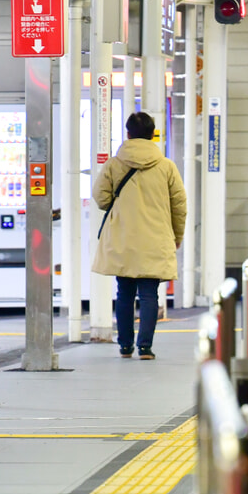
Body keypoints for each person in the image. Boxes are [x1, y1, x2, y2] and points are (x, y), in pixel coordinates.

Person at [92, 112, 187, 360]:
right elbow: (179, 205)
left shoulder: (114, 164)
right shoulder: (166, 166)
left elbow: (101, 197)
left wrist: (118, 205)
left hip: (123, 236)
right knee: (149, 294)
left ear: (128, 133)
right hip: (155, 237)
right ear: (152, 134)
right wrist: (177, 234)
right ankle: (145, 347)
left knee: (124, 292)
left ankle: (125, 345)